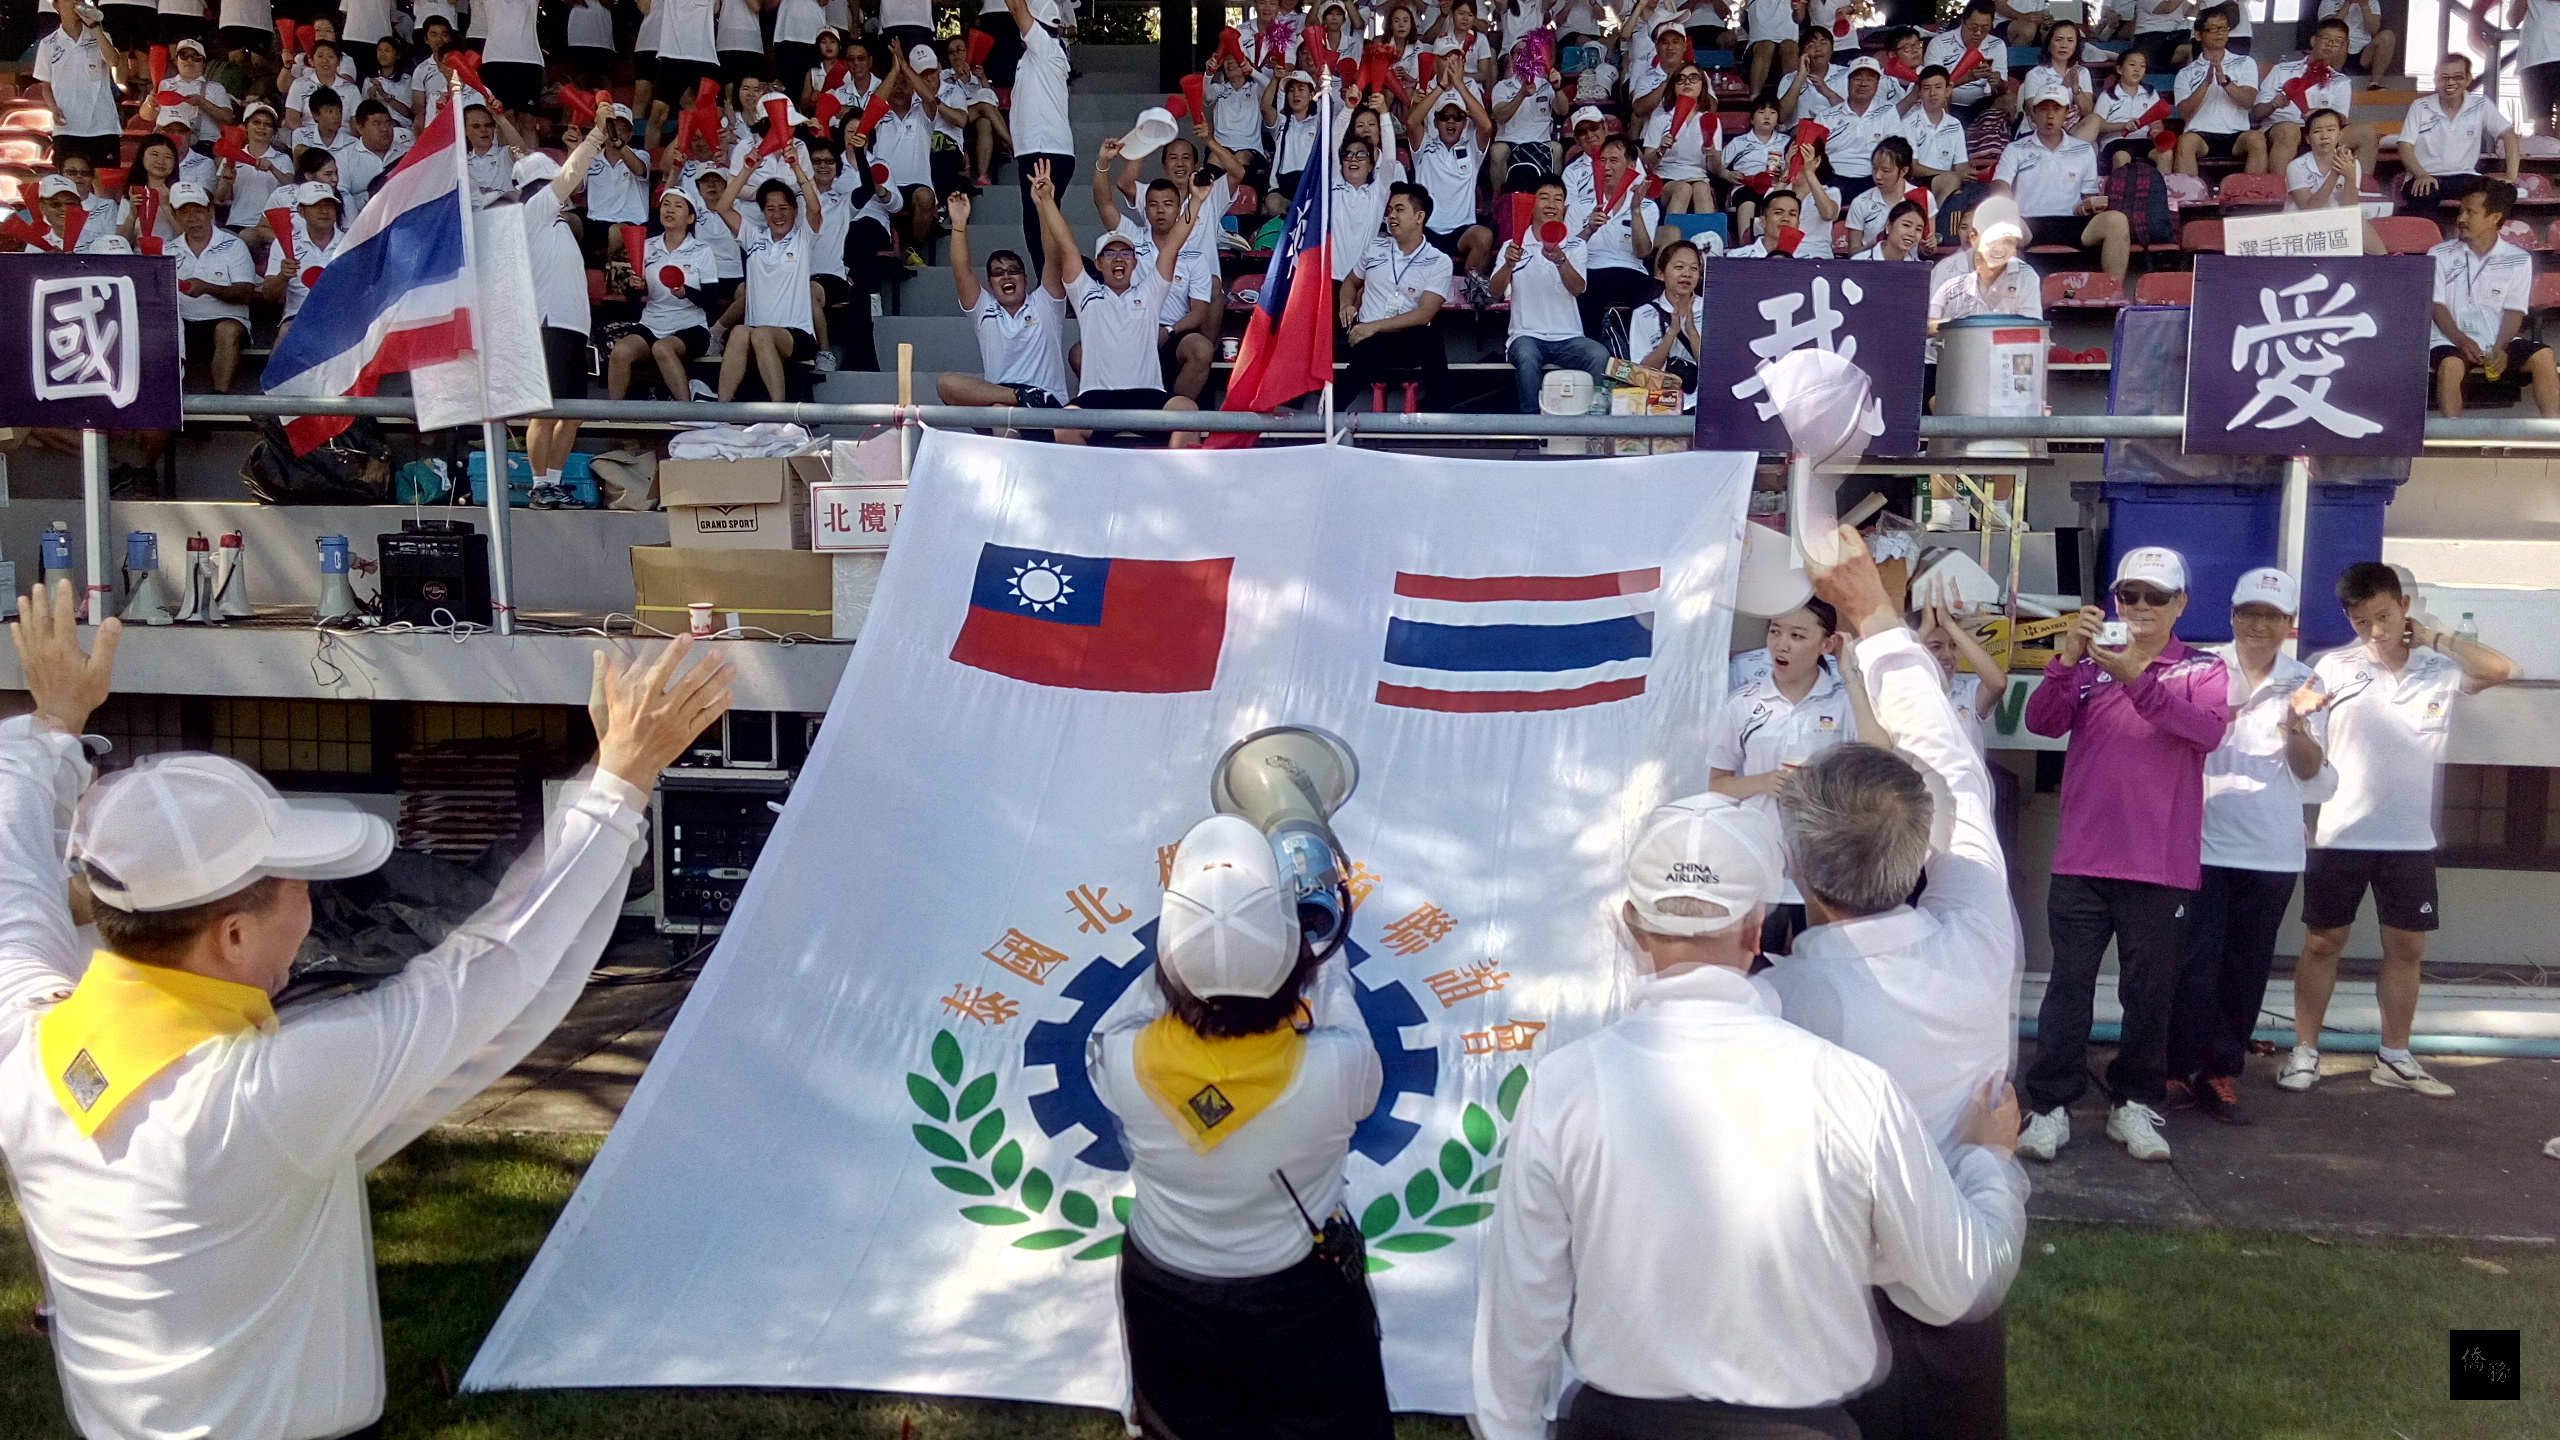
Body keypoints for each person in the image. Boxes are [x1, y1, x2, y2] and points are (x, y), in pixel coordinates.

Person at [0, 578, 734, 1440]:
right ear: (232, 937)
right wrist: (620, 783)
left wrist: (54, 729)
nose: (312, 909)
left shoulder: (29, 1042)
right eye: (295, 890)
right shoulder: (264, 1096)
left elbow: (14, 876)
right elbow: (492, 970)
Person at [1471, 784, 2026, 1440]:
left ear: (1627, 925)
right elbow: (1958, 1284)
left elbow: (1518, 1317)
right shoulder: (1850, 1089)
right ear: (1756, 928)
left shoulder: (1563, 1087)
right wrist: (1988, 1161)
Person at [1758, 528, 2024, 1440]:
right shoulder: (1983, 940)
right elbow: (1955, 770)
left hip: (1809, 1303)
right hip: (1952, 1279)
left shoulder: (1773, 1011)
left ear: (1793, 863)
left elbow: (1952, 781)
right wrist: (1873, 614)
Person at [1088, 814, 1391, 1440]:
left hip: (1165, 1291)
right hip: (1299, 1297)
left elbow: (1135, 1006)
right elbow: (1339, 1002)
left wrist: (1201, 936)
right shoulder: (1338, 1069)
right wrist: (1314, 955)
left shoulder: (1119, 1061)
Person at [2020, 546, 2232, 1164]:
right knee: (2068, 986)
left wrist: (2135, 676)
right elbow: (2042, 723)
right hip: (2083, 858)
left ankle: (2133, 1103)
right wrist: (2065, 659)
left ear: (2180, 605)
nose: (2139, 608)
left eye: (2154, 597)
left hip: (2159, 863)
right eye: (2128, 595)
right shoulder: (2086, 666)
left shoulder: (2201, 667)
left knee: (2149, 993)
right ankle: (2050, 1105)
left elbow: (2207, 732)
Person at [2283, 562, 2521, 1100]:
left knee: (2408, 948)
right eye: (2363, 619)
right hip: (2339, 833)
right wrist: (2293, 729)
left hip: (2411, 839)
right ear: (2348, 616)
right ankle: (2304, 1052)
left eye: (2385, 616)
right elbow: (2308, 757)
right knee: (2323, 942)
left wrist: (2437, 636)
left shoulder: (2438, 665)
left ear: (2404, 607)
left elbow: (2503, 669)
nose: (2375, 629)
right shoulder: (2331, 667)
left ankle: (2395, 1055)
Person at [2164, 567, 2333, 1126]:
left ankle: (2219, 1072)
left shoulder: (2307, 680)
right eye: (2250, 612)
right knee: (2193, 963)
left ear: (2290, 625)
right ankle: (2175, 1065)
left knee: (2244, 968)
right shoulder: (2199, 667)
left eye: (2273, 615)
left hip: (2272, 851)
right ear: (2233, 616)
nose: (2260, 624)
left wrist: (2296, 727)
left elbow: (2312, 775)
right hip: (2201, 842)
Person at [1708, 597, 1873, 956]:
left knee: (1826, 970)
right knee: (1759, 966)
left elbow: (1879, 749)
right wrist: (1762, 782)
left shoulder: (1843, 701)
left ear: (1826, 644)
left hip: (1825, 867)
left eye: (1798, 635)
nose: (1781, 644)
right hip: (1760, 865)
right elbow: (1716, 783)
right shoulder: (1743, 704)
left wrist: (1849, 673)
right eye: (1775, 632)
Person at [1032, 170, 1204, 447]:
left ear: (1135, 263)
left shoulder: (1150, 292)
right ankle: (1083, 490)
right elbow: (1066, 244)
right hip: (1098, 396)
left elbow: (1172, 246)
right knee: (1064, 423)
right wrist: (1046, 200)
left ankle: (1176, 486)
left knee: (1188, 412)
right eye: (1110, 253)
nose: (1118, 258)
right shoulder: (1085, 293)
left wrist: (1195, 201)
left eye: (1125, 253)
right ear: (1098, 264)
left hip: (1146, 394)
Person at [517, 125, 611, 506]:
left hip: (573, 327)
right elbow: (571, 174)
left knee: (573, 411)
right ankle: (539, 484)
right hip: (548, 323)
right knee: (545, 410)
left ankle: (553, 482)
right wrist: (596, 135)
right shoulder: (533, 210)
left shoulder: (554, 221)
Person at [937, 171, 1074, 431]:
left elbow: (1053, 256)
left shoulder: (1046, 303)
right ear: (989, 284)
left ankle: (1023, 403)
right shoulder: (984, 310)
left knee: (1001, 413)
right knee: (947, 383)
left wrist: (1044, 205)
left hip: (1048, 410)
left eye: (1013, 271)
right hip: (1002, 402)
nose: (1006, 276)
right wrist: (958, 225)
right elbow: (962, 272)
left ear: (1025, 278)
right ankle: (1021, 397)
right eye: (998, 273)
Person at [2428, 180, 2560, 419]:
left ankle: (2554, 437)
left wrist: (2500, 347)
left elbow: (2514, 310)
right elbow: (2436, 305)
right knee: (2451, 366)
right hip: (2448, 340)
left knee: (2544, 356)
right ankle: (2455, 440)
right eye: (2461, 210)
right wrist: (2460, 339)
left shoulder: (2518, 259)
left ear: (2494, 217)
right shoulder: (2439, 253)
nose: (2462, 218)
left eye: (2471, 212)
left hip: (2496, 340)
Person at [712, 162, 827, 404]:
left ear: (796, 211)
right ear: (763, 213)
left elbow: (815, 208)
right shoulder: (753, 237)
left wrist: (796, 166)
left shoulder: (802, 239)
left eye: (784, 208)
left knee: (761, 335)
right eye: (771, 209)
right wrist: (747, 168)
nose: (778, 215)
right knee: (740, 331)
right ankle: (721, 411)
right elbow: (723, 207)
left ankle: (778, 412)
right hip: (757, 331)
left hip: (798, 334)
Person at [1492, 179, 1609, 415]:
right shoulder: (1513, 245)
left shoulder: (1575, 245)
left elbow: (1578, 289)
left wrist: (1560, 260)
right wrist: (1507, 265)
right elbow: (1494, 291)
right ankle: (1532, 425)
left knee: (1599, 355)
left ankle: (1595, 421)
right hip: (1526, 335)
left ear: (1565, 207)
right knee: (1525, 355)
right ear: (1532, 204)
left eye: (1558, 199)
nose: (1551, 204)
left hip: (1569, 338)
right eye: (1544, 197)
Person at [1337, 182, 1456, 413]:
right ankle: (1328, 417)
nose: (1391, 216)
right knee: (1368, 352)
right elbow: (1351, 282)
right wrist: (1346, 304)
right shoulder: (1375, 247)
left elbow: (1424, 314)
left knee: (1430, 339)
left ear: (1419, 216)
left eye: (1399, 209)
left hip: (1404, 337)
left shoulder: (1438, 260)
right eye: (1389, 210)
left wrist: (1374, 326)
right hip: (1368, 338)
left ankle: (1439, 415)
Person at [1997, 77, 2130, 282]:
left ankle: (2113, 292)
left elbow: (2089, 194)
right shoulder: (2015, 149)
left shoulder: (2084, 149)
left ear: (2067, 113)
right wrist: (2006, 203)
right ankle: (2012, 294)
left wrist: (2089, 205)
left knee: (2117, 221)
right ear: (2033, 113)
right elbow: (2000, 185)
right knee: (2000, 220)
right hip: (2028, 221)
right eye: (2043, 109)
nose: (2050, 115)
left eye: (2056, 109)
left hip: (2072, 220)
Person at [609, 187, 721, 401]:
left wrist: (686, 292)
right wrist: (634, 286)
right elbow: (632, 300)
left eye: (678, 206)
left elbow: (711, 303)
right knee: (621, 351)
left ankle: (688, 414)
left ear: (690, 218)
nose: (670, 210)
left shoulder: (702, 251)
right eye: (666, 204)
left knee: (663, 348)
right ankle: (616, 418)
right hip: (651, 323)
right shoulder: (646, 246)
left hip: (692, 326)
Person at [2396, 53, 2520, 215]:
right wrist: (2421, 175)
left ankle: (2482, 238)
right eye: (2444, 77)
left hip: (2466, 177)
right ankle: (2433, 238)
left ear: (2468, 79)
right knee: (2424, 192)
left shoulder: (2480, 104)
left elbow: (2509, 134)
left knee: (2506, 191)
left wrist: (2510, 175)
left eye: (2458, 77)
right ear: (2436, 79)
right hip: (2428, 177)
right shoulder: (2420, 106)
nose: (2451, 82)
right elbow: (2405, 145)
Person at [2258, 18, 2378, 178]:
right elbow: (2255, 113)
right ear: (2313, 40)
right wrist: (2273, 105)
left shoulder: (2341, 80)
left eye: (2337, 42)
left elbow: (2341, 118)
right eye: (2326, 38)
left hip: (2321, 131)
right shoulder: (2281, 70)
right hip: (2282, 130)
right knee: (2289, 129)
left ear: (2343, 48)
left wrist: (2318, 116)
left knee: (2368, 132)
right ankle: (2279, 193)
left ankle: (2359, 191)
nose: (2330, 44)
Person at [169, 183, 257, 395]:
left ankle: (220, 398)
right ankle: (167, 399)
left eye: (198, 210)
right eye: (184, 211)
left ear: (210, 211)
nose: (192, 217)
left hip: (225, 320)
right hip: (183, 324)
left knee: (227, 329)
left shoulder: (234, 245)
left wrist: (206, 287)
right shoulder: (167, 249)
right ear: (175, 215)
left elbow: (245, 293)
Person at [2172, 5, 2265, 175]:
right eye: (2213, 29)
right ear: (2199, 35)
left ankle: (2253, 196)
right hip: (2200, 136)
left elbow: (2249, 102)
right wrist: (2206, 83)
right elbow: (2184, 113)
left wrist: (2226, 83)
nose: (2220, 33)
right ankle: (2189, 197)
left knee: (2257, 139)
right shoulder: (2186, 73)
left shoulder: (2245, 62)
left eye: (2223, 28)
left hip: (2237, 134)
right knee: (2185, 142)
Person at [36, 0, 129, 170]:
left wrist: (95, 27)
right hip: (68, 127)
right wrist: (53, 108)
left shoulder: (101, 36)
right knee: (70, 183)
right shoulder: (48, 44)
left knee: (105, 184)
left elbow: (114, 61)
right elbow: (45, 85)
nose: (74, 3)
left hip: (103, 126)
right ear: (57, 6)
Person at [2287, 108, 2386, 252]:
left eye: (2330, 130)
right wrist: (2335, 173)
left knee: (2358, 220)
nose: (2324, 136)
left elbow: (2349, 208)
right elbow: (2309, 209)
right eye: (2317, 131)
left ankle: (2384, 261)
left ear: (2339, 135)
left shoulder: (2351, 162)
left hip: (2336, 221)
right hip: (2302, 224)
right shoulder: (2296, 166)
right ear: (2307, 138)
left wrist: (2350, 177)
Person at [1626, 239, 1703, 404]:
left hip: (1703, 401)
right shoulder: (1643, 314)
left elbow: (1716, 369)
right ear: (1661, 274)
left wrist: (1692, 333)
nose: (1687, 274)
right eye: (1679, 267)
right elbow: (1642, 374)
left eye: (1694, 268)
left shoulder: (1711, 308)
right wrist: (1672, 333)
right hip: (1661, 403)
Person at [2315, 0, 2395, 94]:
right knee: (2341, 36)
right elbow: (2329, 27)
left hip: (2363, 53)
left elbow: (2373, 30)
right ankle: (2333, 81)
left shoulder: (2372, 1)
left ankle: (2374, 83)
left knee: (2387, 36)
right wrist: (2347, 3)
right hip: (2337, 50)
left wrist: (2364, 5)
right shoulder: (2329, 1)